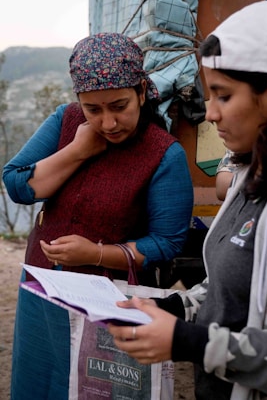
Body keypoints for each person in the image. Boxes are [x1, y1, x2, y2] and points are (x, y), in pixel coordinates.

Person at [2, 33, 193, 399]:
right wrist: (77, 150)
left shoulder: (163, 154)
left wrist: (95, 254)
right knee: (38, 382)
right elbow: (17, 185)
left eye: (119, 106)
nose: (108, 123)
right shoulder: (66, 121)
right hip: (42, 292)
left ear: (141, 91)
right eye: (94, 109)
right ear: (79, 103)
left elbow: (167, 242)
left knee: (93, 387)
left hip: (107, 303)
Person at [108, 0, 267, 400]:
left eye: (224, 96)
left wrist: (189, 343)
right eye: (207, 96)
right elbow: (224, 292)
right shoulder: (248, 178)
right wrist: (174, 309)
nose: (210, 114)